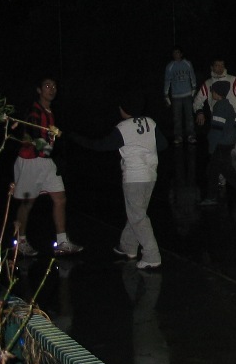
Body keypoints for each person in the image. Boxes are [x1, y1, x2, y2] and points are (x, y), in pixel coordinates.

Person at [70, 89, 168, 269]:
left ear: (124, 109)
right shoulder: (150, 122)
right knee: (137, 212)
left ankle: (152, 255)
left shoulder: (123, 127)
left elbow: (100, 145)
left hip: (134, 176)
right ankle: (128, 246)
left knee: (138, 216)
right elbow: (162, 144)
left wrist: (76, 138)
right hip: (150, 174)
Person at [11, 76, 84, 257]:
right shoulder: (34, 110)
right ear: (39, 89)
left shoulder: (50, 112)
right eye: (47, 86)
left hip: (46, 161)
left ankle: (62, 242)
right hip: (30, 161)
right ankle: (20, 242)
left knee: (60, 198)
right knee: (27, 203)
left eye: (54, 86)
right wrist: (47, 145)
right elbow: (32, 135)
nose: (52, 89)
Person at [193, 58, 236, 185]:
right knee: (218, 152)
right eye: (217, 65)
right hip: (217, 123)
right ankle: (221, 180)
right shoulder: (208, 83)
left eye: (222, 65)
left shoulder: (232, 80)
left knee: (234, 152)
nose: (219, 68)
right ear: (212, 67)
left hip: (232, 124)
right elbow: (198, 100)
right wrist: (199, 112)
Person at [200, 80, 236, 207]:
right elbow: (235, 125)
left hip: (221, 145)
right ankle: (212, 197)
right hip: (227, 144)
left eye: (213, 91)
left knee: (221, 171)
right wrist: (231, 141)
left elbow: (216, 130)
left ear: (217, 93)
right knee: (218, 170)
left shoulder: (219, 107)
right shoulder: (229, 105)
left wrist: (211, 147)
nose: (211, 93)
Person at [163, 46, 197, 145]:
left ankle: (191, 135)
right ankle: (178, 136)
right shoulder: (170, 66)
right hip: (176, 96)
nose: (176, 54)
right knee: (177, 118)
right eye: (174, 53)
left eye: (178, 52)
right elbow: (167, 80)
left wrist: (194, 90)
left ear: (181, 54)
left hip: (187, 94)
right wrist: (166, 94)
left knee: (189, 117)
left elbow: (192, 76)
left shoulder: (187, 63)